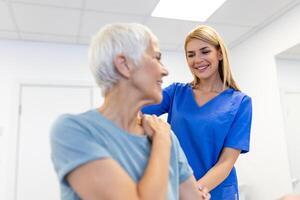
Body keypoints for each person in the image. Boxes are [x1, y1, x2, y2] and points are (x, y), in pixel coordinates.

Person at [50, 23, 210, 200]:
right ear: (124, 65)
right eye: (157, 58)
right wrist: (161, 142)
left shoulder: (166, 134)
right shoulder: (74, 131)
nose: (165, 71)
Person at [142, 25, 252, 199]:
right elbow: (133, 110)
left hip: (216, 191)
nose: (197, 59)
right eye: (190, 54)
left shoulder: (240, 102)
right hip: (179, 187)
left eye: (205, 51)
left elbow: (226, 161)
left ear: (220, 54)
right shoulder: (176, 93)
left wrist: (193, 192)